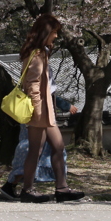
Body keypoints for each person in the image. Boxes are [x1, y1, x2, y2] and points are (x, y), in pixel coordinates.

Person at [17, 14, 85, 203]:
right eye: (54, 32)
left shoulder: (42, 52)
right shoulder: (37, 55)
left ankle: (61, 188)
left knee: (58, 147)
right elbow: (32, 85)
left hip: (46, 110)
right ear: (45, 32)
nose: (56, 36)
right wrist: (38, 111)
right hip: (40, 110)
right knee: (36, 150)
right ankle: (28, 190)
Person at [0, 96, 75, 200]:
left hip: (45, 114)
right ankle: (20, 187)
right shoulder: (38, 79)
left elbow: (48, 92)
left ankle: (62, 189)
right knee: (34, 150)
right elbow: (35, 91)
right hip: (38, 114)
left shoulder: (46, 79)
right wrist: (40, 113)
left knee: (56, 148)